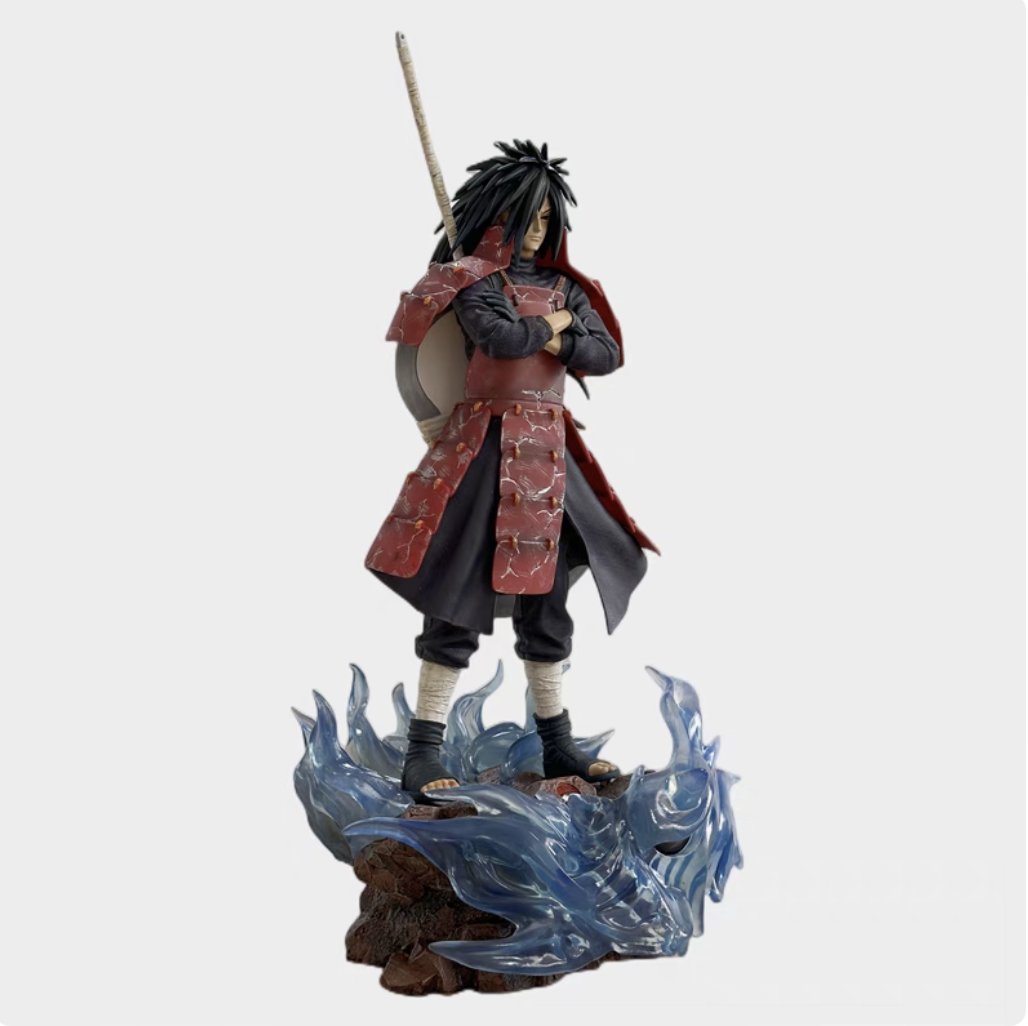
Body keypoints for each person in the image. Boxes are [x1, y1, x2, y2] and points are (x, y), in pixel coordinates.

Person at [366, 140, 658, 797]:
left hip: (550, 460)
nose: (537, 229)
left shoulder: (563, 286)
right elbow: (500, 340)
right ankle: (423, 749)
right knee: (454, 597)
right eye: (528, 215)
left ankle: (557, 744)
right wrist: (560, 326)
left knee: (547, 601)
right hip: (482, 452)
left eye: (547, 218)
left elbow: (605, 353)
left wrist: (553, 323)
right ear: (501, 213)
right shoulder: (473, 282)